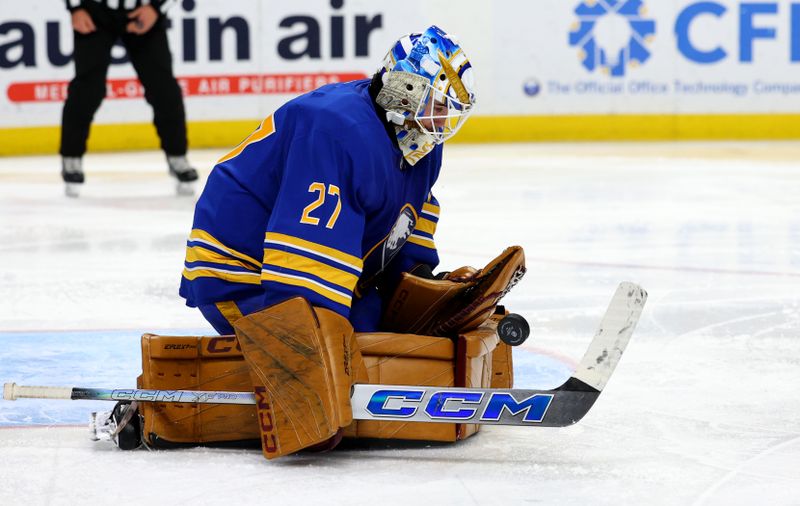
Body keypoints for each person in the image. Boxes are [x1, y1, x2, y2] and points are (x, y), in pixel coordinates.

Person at [179, 25, 476, 335]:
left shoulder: (421, 142)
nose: (443, 120)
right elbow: (301, 276)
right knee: (354, 340)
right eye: (439, 105)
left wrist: (419, 283)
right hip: (241, 273)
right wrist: (328, 338)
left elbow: (410, 218)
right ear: (407, 91)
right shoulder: (337, 130)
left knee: (392, 329)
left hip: (317, 275)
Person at [60, 0, 197, 197]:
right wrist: (76, 7)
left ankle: (177, 156)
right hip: (95, 12)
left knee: (164, 89)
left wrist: (157, 8)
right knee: (88, 90)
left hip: (144, 9)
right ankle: (71, 158)